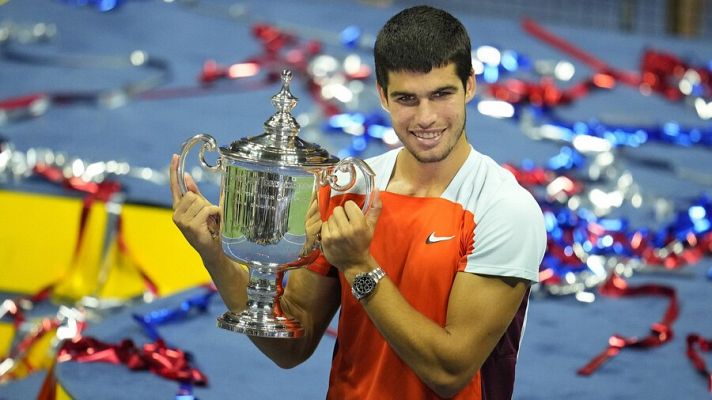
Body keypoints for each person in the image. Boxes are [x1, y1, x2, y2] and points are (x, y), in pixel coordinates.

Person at [170, 5, 546, 400]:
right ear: (383, 96)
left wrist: (358, 265)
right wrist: (214, 253)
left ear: (469, 85)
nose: (426, 117)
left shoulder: (504, 209)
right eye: (407, 99)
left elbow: (449, 370)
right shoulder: (349, 188)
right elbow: (291, 344)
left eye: (441, 94)